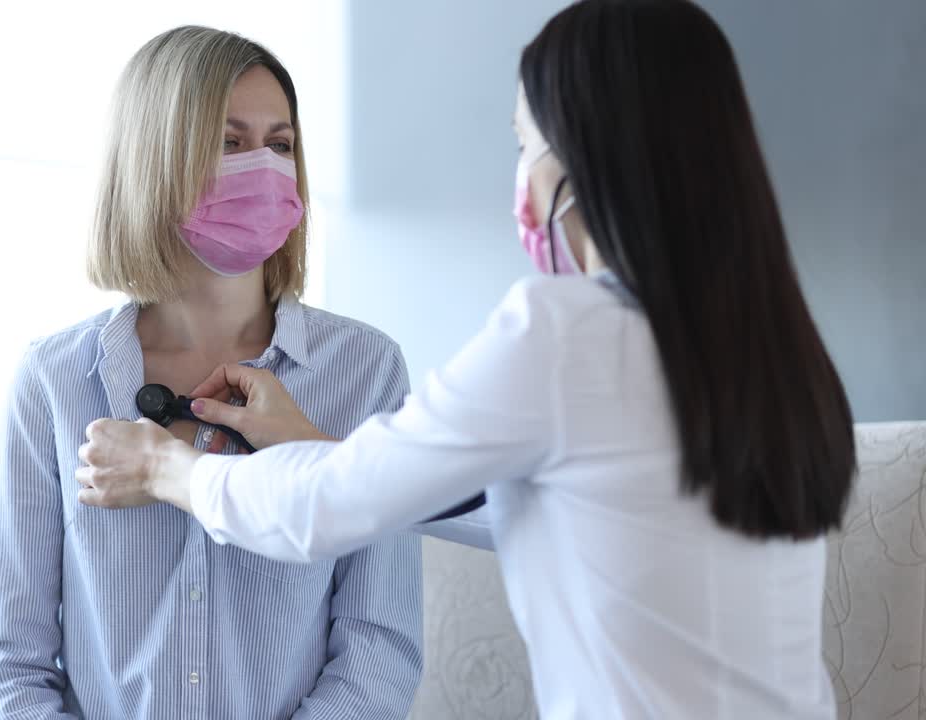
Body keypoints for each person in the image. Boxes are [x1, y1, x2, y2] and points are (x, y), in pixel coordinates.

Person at [73, 2, 857, 718]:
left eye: (527, 146)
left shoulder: (565, 334)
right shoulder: (774, 355)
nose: (521, 181)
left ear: (591, 157)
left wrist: (162, 470)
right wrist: (314, 445)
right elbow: (538, 503)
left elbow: (324, 513)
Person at [0, 26, 428, 720]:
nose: (266, 168)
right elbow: (7, 662)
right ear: (153, 160)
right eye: (230, 142)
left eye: (282, 144)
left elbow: (378, 650)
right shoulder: (54, 379)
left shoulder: (366, 371)